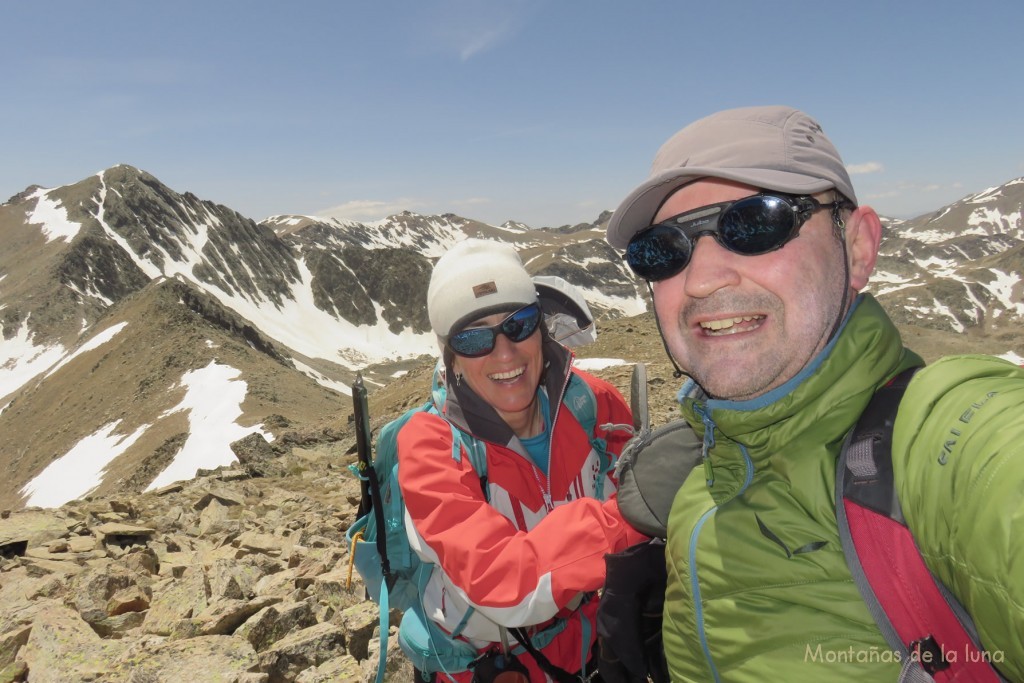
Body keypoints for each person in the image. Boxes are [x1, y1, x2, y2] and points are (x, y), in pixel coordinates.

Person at [603, 105, 1024, 681]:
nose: (701, 279)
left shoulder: (951, 440)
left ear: (857, 248)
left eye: (755, 223)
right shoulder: (707, 475)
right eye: (664, 250)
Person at [398, 238, 646, 682]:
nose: (505, 354)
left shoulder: (595, 405)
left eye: (519, 324)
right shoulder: (431, 446)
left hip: (596, 650)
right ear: (450, 356)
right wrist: (629, 521)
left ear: (542, 327)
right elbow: (500, 581)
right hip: (490, 668)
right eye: (473, 339)